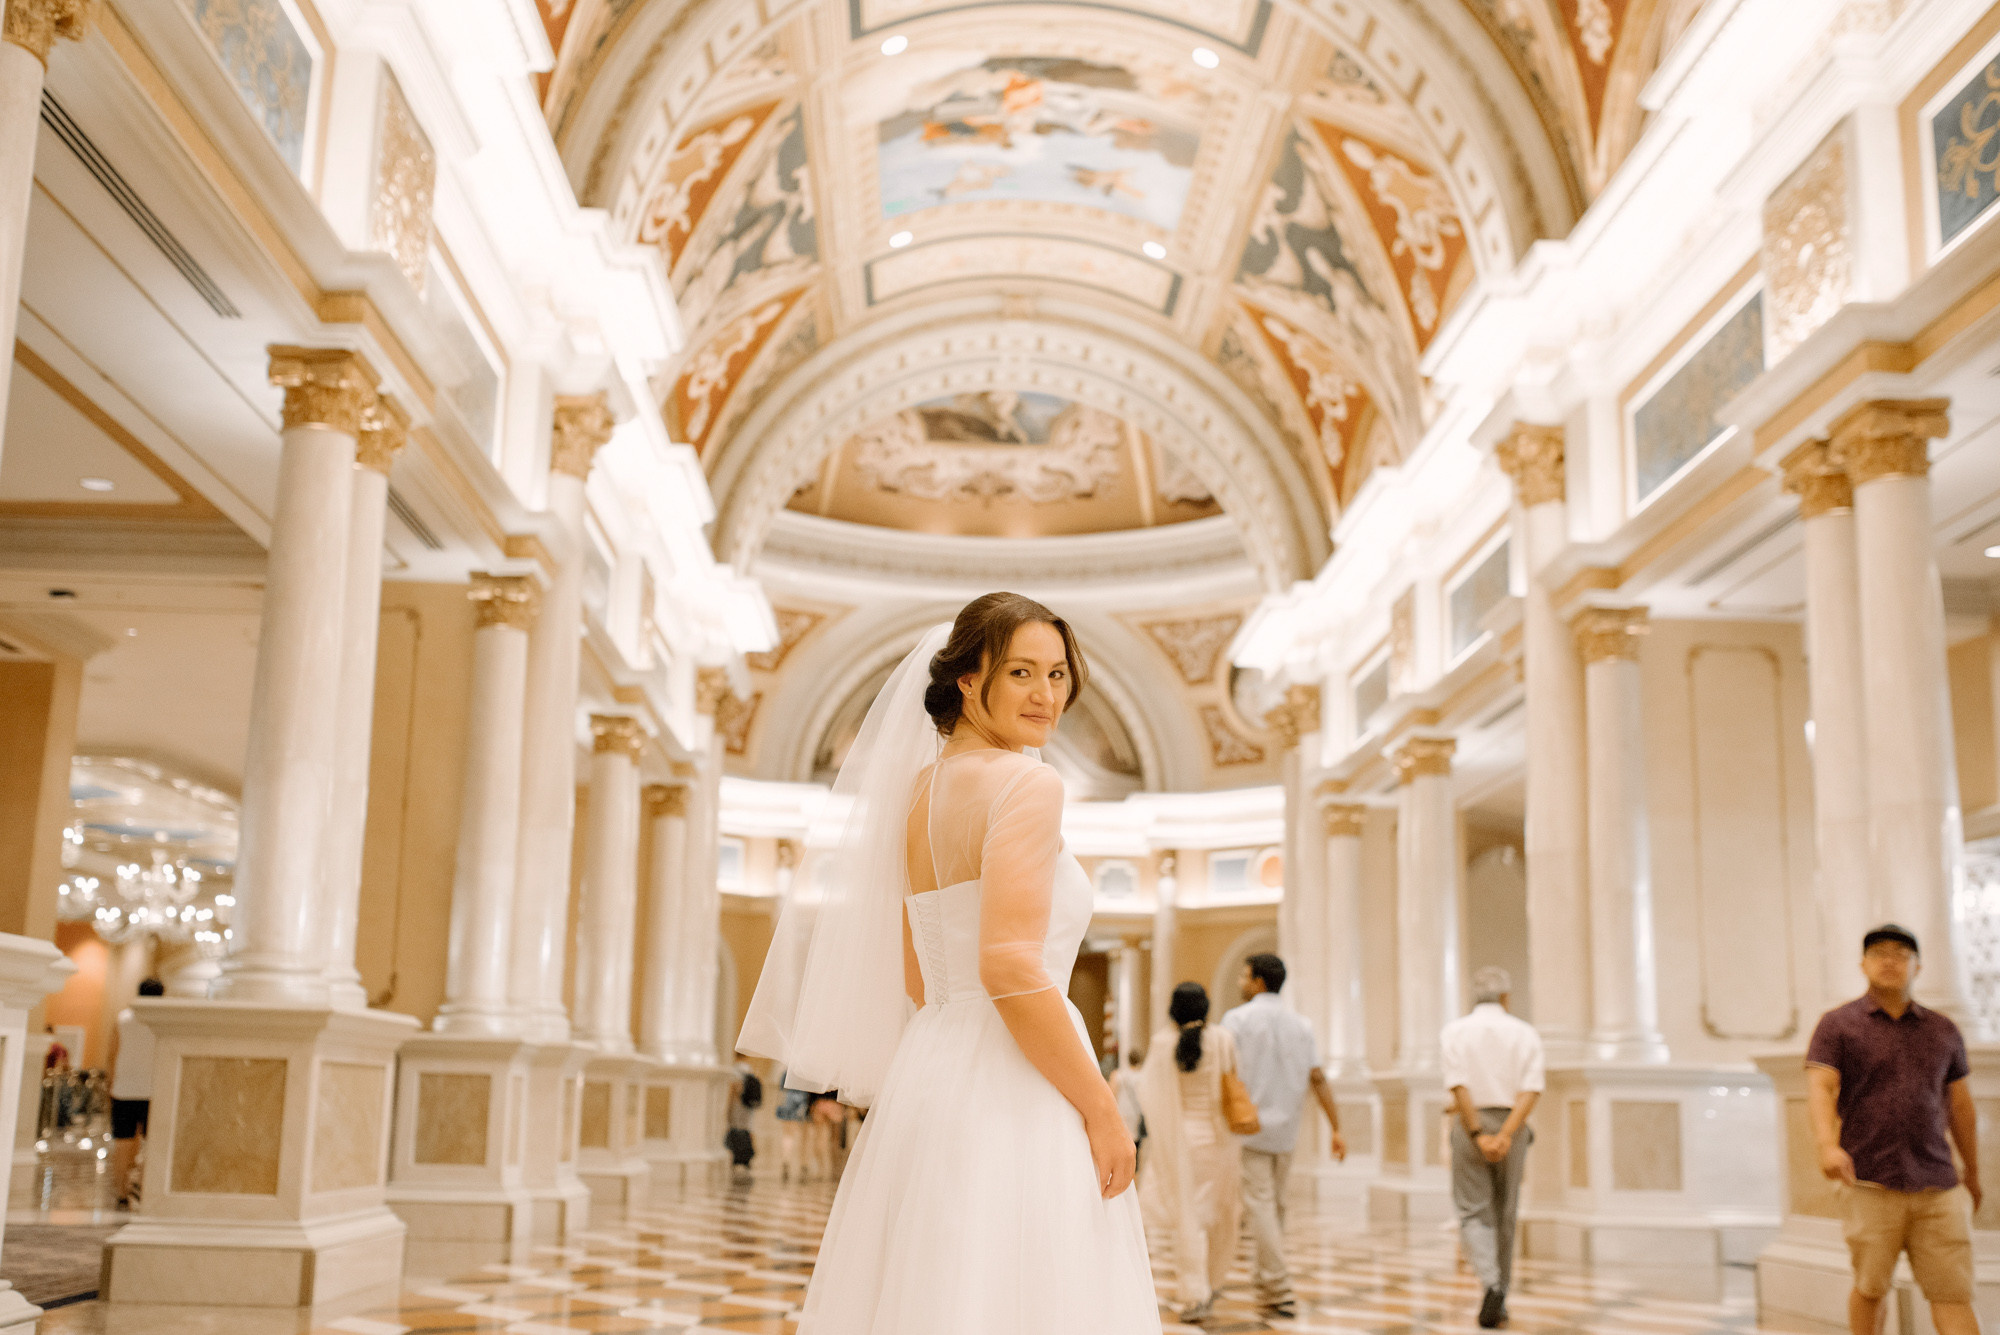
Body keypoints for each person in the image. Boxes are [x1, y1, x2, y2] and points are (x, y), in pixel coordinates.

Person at [738, 593, 1158, 1333]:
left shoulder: (918, 793)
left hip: (932, 1073)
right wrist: (1101, 1108)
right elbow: (1008, 967)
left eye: (1058, 674)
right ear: (967, 678)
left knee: (933, 1287)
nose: (1046, 694)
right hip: (1018, 1080)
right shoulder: (1029, 782)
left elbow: (916, 975)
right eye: (1022, 671)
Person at [1807, 924, 1980, 1335]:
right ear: (1863, 964)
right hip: (1869, 1182)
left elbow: (1960, 1106)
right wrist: (1826, 1145)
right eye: (1879, 952)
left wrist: (1972, 1173)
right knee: (1870, 1288)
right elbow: (1821, 1087)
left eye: (1901, 954)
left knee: (1953, 1294)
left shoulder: (1943, 1030)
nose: (1890, 960)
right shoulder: (1838, 1025)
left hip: (1938, 1185)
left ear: (1917, 966)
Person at [1220, 953, 1345, 1319]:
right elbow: (1318, 1077)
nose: (1241, 983)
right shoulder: (1301, 1025)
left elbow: (1225, 1074)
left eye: (1244, 976)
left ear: (1258, 981)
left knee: (1261, 1206)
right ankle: (1265, 1278)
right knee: (1274, 1206)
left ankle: (1278, 1286)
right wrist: (1336, 1127)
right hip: (1288, 1130)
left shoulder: (1237, 1020)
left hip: (1249, 1127)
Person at [1440, 966, 1544, 1328]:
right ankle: (1501, 1295)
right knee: (1506, 1211)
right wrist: (1506, 1135)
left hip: (1472, 1122)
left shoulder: (1455, 1031)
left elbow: (1459, 1085)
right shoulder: (1525, 1033)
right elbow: (1531, 1088)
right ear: (1505, 997)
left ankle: (1491, 1284)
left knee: (1472, 1209)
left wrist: (1478, 1134)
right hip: (1512, 1125)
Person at [1138, 983, 1243, 1323]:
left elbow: (1148, 1094)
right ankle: (1210, 1284)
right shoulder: (1222, 1039)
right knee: (1217, 1214)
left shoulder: (1162, 1043)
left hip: (1181, 1142)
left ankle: (1193, 1292)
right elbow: (1234, 1080)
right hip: (1217, 1142)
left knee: (1188, 1218)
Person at [775, 1071, 814, 1181]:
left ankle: (786, 1161)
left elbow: (781, 1092)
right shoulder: (809, 1073)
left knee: (788, 1135)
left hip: (788, 1102)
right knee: (805, 1138)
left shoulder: (787, 1072)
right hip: (804, 1102)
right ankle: (804, 1165)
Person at [725, 1061, 758, 1181]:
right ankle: (747, 1159)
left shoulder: (735, 1070)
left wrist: (728, 1109)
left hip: (738, 1108)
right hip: (749, 1109)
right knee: (748, 1131)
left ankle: (738, 1160)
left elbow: (734, 1091)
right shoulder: (750, 1069)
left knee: (737, 1133)